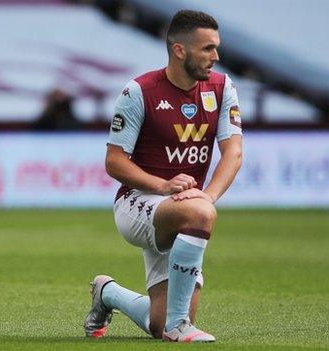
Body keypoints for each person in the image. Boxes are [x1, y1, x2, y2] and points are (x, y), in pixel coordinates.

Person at [84, 10, 242, 342]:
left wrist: (206, 197)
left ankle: (107, 293)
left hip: (184, 208)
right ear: (179, 50)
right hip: (136, 203)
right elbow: (114, 162)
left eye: (216, 48)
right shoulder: (138, 91)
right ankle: (179, 327)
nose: (216, 57)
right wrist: (163, 186)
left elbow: (234, 153)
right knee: (198, 214)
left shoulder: (222, 86)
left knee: (157, 321)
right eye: (207, 48)